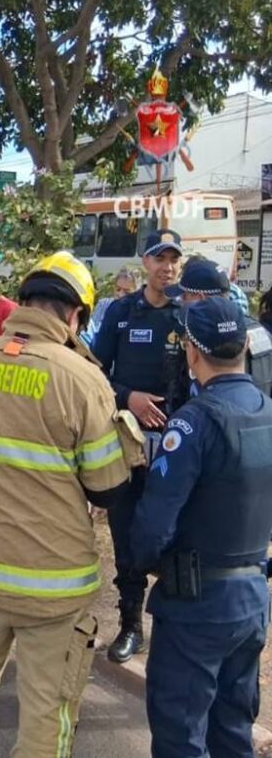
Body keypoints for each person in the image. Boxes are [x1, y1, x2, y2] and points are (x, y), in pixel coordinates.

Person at [0, 251, 140, 757]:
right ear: (75, 315)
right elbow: (108, 489)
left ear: (22, 302)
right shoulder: (83, 380)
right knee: (47, 711)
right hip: (55, 587)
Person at [130, 297, 272, 758]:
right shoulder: (267, 410)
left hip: (195, 603)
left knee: (180, 734)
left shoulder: (193, 424)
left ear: (192, 352)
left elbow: (154, 526)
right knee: (233, 728)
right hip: (251, 597)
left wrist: (145, 565)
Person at [91, 228, 185, 663]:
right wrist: (129, 397)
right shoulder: (122, 313)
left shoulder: (187, 315)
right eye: (159, 259)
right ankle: (130, 625)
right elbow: (96, 376)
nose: (167, 267)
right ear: (145, 263)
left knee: (172, 536)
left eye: (173, 260)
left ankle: (172, 629)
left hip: (176, 447)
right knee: (125, 534)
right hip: (126, 444)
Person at [164, 257, 272, 397]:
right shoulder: (260, 330)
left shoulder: (207, 336)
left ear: (200, 298)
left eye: (185, 296)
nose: (181, 302)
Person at [81, 268, 139, 347]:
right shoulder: (103, 304)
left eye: (127, 292)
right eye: (118, 289)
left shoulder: (139, 312)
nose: (120, 294)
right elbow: (92, 334)